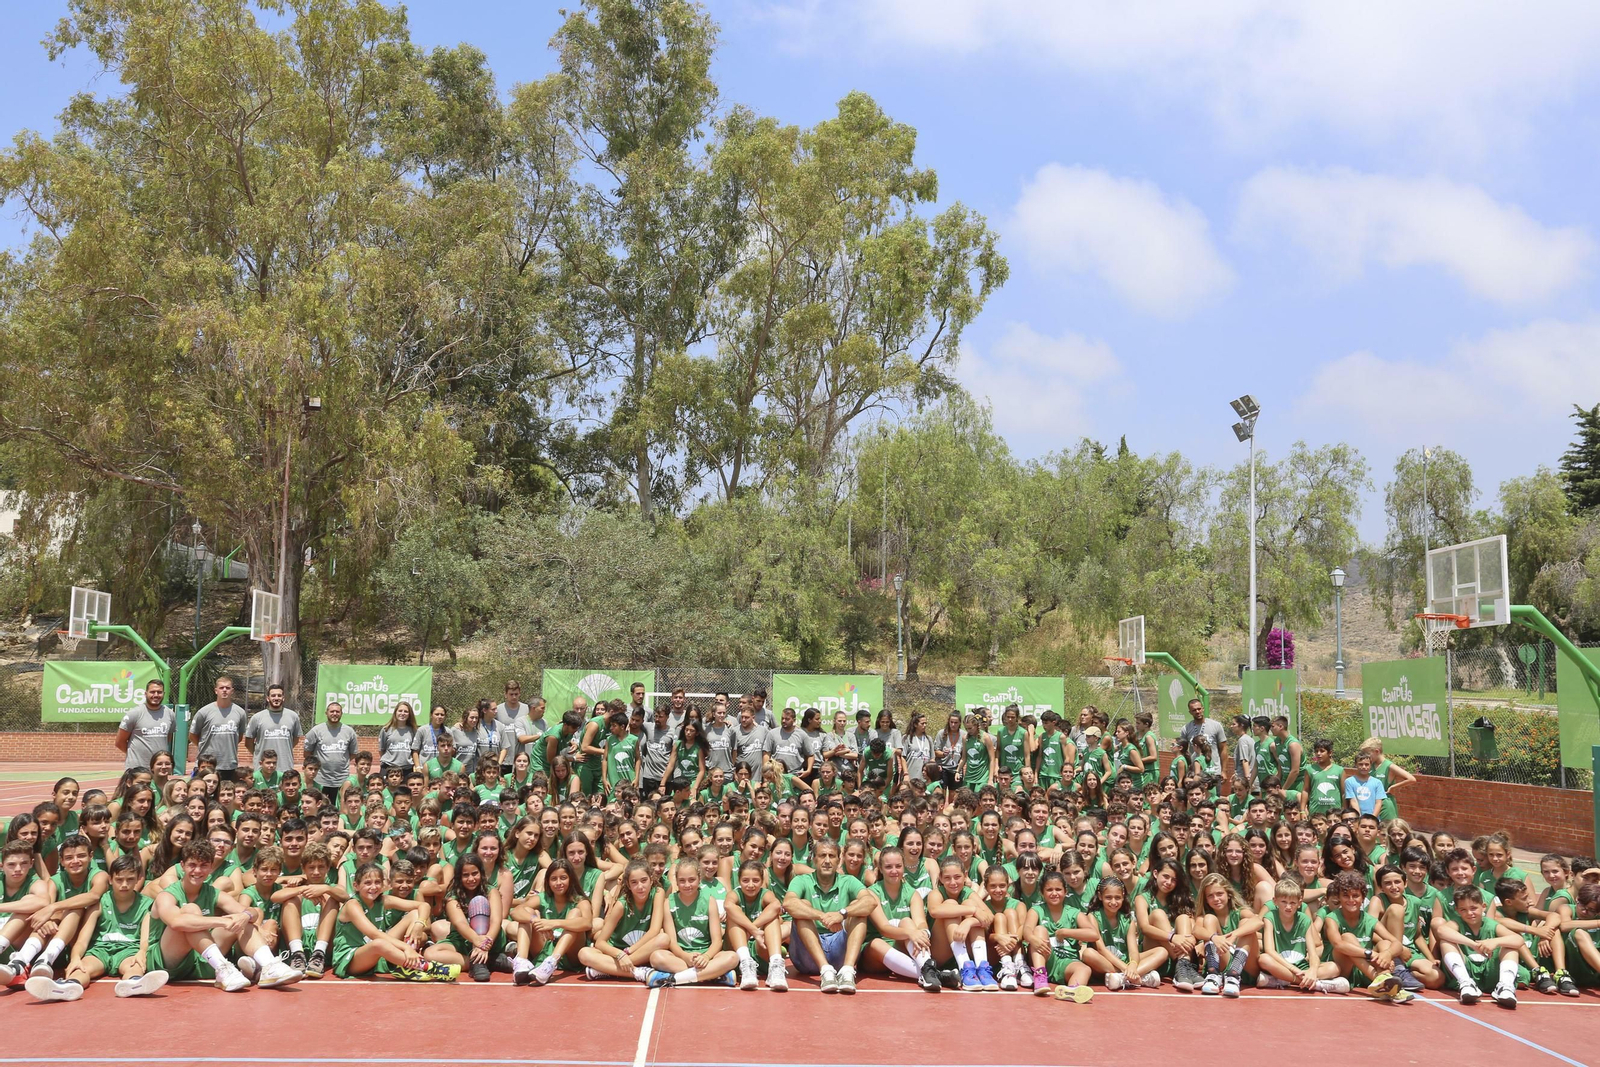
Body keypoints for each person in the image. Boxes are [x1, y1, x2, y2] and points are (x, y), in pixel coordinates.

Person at [189, 677, 246, 780]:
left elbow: (239, 737)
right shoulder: (204, 712)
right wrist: (205, 745)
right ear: (216, 690)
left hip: (229, 764)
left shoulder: (240, 713)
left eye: (227, 688)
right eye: (221, 688)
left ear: (232, 691)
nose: (224, 690)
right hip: (207, 764)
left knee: (226, 794)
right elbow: (192, 735)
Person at [302, 702, 360, 803]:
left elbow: (353, 753)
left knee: (339, 808)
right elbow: (307, 753)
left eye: (337, 711)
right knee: (319, 807)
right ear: (326, 713)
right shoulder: (316, 731)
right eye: (332, 711)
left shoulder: (349, 732)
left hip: (341, 779)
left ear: (341, 713)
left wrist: (340, 761)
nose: (335, 713)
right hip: (320, 779)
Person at [116, 680, 174, 772]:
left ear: (164, 693)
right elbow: (119, 742)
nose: (156, 695)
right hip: (137, 769)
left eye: (159, 692)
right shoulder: (134, 713)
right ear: (145, 694)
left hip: (159, 770)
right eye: (152, 692)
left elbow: (167, 739)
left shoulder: (170, 714)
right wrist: (135, 756)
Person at [243, 684, 302, 771]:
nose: (276, 698)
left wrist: (283, 749)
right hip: (263, 769)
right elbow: (248, 742)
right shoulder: (257, 717)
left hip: (285, 767)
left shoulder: (293, 716)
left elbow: (296, 739)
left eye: (279, 695)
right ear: (268, 698)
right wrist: (259, 754)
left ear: (283, 698)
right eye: (273, 695)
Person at [1178, 699, 1224, 776]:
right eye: (1194, 710)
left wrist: (1224, 771)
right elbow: (1183, 751)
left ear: (1203, 708)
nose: (1197, 712)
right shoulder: (1186, 729)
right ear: (1190, 712)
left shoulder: (1216, 726)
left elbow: (1223, 748)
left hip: (1213, 771)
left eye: (1199, 709)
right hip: (1195, 772)